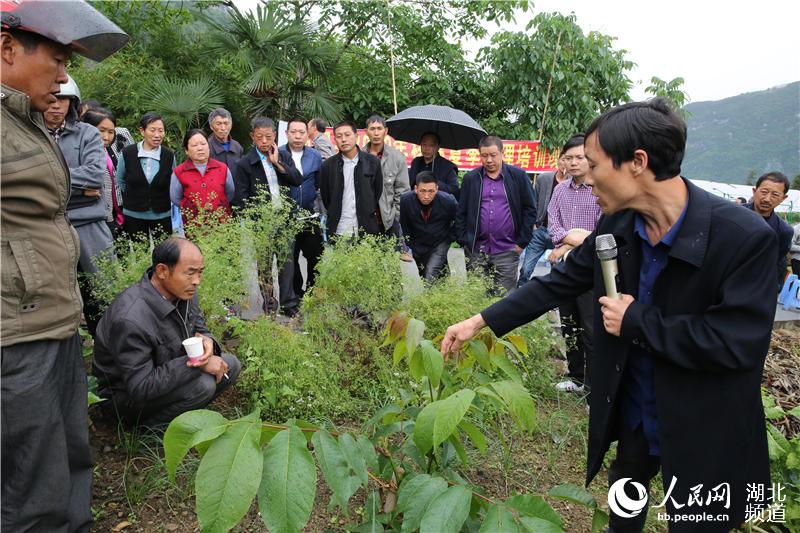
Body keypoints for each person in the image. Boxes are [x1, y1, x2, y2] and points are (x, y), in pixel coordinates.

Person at [441, 98, 776, 532]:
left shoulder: (743, 238)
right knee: (625, 507)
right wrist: (479, 321)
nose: (582, 174)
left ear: (637, 162)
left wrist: (638, 321)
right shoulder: (618, 226)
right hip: (635, 404)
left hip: (702, 419)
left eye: (594, 165)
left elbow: (737, 344)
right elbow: (557, 283)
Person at [1, 1, 128, 530]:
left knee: (69, 450)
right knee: (32, 479)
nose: (63, 74)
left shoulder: (24, 120)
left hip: (53, 316)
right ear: (7, 49)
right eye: (55, 58)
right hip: (16, 329)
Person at [93, 237, 240, 428]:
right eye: (190, 273)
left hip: (168, 366)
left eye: (200, 273)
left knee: (231, 365)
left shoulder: (184, 293)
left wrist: (208, 341)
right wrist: (197, 364)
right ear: (162, 271)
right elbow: (140, 387)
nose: (196, 281)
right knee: (203, 385)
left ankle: (181, 416)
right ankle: (151, 431)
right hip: (124, 397)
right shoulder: (130, 319)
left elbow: (200, 328)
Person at [44, 75, 115, 338]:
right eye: (50, 98)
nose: (55, 105)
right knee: (57, 299)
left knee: (103, 294)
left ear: (72, 103)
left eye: (62, 99)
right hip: (49, 225)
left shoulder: (86, 132)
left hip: (90, 226)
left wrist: (46, 178)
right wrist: (80, 188)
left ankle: (110, 362)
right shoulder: (32, 133)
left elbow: (96, 175)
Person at [546, 134, 602, 393]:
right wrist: (570, 240)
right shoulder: (559, 190)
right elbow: (553, 226)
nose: (574, 162)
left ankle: (594, 384)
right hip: (564, 266)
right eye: (568, 158)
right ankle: (575, 376)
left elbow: (601, 232)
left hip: (591, 267)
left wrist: (568, 245)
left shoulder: (599, 188)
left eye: (580, 157)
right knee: (568, 323)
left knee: (591, 326)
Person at [233, 116, 303, 317]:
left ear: (275, 136)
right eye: (259, 137)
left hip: (284, 220)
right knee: (264, 266)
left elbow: (296, 180)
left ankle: (289, 305)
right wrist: (257, 219)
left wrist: (278, 163)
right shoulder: (245, 163)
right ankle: (269, 304)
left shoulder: (283, 155)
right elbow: (242, 198)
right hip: (262, 224)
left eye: (268, 137)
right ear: (252, 137)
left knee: (286, 264)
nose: (264, 141)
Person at [455, 135, 536, 294]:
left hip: (507, 248)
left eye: (493, 155)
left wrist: (521, 243)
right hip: (476, 250)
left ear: (502, 153)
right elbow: (461, 211)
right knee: (475, 297)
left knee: (503, 300)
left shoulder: (517, 176)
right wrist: (464, 239)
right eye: (484, 156)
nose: (489, 160)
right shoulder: (471, 178)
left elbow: (530, 209)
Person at [280, 118, 324, 299]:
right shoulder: (279, 154)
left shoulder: (314, 156)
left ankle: (312, 293)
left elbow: (319, 184)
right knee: (290, 258)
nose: (297, 136)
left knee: (315, 255)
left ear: (308, 134)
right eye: (293, 132)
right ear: (286, 133)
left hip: (310, 216)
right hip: (286, 216)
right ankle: (296, 293)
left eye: (301, 132)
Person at [320, 120, 384, 239]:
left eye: (347, 135)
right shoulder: (328, 166)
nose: (343, 139)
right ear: (335, 140)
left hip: (366, 229)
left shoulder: (373, 162)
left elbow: (377, 192)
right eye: (339, 136)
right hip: (339, 230)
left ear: (356, 136)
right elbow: (326, 197)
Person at [116, 112, 176, 239]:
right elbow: (120, 180)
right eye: (152, 130)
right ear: (142, 131)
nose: (157, 135)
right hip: (134, 214)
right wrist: (137, 195)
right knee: (140, 252)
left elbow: (173, 182)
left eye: (161, 131)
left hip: (162, 214)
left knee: (164, 252)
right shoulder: (128, 153)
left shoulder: (169, 155)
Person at [365, 115, 412, 261]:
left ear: (386, 131)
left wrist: (395, 216)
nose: (376, 133)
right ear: (367, 132)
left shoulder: (397, 157)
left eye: (379, 129)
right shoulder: (359, 156)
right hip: (364, 221)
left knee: (391, 268)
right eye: (372, 129)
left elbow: (403, 191)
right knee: (367, 265)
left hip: (388, 221)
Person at [518, 153, 568, 285]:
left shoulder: (574, 183)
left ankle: (555, 300)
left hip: (561, 234)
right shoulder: (544, 178)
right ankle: (519, 293)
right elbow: (533, 202)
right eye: (563, 159)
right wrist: (534, 224)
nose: (565, 163)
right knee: (526, 269)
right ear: (558, 161)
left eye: (567, 160)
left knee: (557, 271)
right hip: (541, 229)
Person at [399, 171, 457, 282]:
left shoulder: (448, 200)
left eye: (431, 191)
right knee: (425, 274)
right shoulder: (406, 200)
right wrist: (408, 245)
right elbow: (404, 224)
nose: (426, 196)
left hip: (441, 241)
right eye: (422, 191)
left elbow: (459, 220)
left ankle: (432, 295)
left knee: (431, 272)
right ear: (416, 189)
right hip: (418, 243)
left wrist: (451, 237)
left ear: (437, 189)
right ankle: (443, 294)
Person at [170, 128, 235, 226]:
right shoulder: (179, 172)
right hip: (194, 226)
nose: (200, 148)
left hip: (222, 224)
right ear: (186, 150)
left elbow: (230, 193)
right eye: (194, 145)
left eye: (203, 144)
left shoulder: (222, 168)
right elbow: (175, 198)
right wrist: (191, 209)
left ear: (208, 147)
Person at [743, 172, 794, 288]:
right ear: (754, 191)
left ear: (783, 198)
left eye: (775, 195)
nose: (767, 199)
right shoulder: (731, 214)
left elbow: (775, 263)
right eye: (764, 192)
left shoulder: (784, 231)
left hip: (751, 285)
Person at [82, 107, 125, 234]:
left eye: (111, 132)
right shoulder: (81, 152)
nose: (106, 137)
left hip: (110, 212)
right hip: (90, 215)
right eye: (101, 131)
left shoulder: (104, 151)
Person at [408, 131, 460, 199]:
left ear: (438, 147)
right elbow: (409, 184)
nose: (427, 148)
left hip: (439, 205)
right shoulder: (416, 162)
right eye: (424, 144)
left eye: (431, 145)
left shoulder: (448, 166)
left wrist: (435, 182)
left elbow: (455, 191)